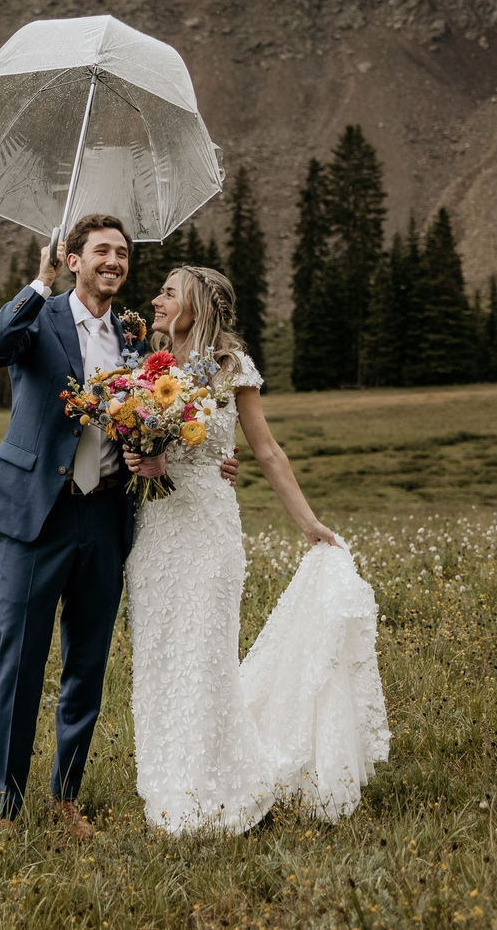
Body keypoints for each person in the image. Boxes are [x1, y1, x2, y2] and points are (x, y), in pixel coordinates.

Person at [0, 214, 237, 839]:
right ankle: (5, 809)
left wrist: (204, 454)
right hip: (41, 513)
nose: (115, 261)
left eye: (122, 253)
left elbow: (167, 405)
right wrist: (34, 288)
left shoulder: (136, 336)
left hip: (108, 513)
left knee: (86, 665)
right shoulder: (38, 317)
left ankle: (67, 799)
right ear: (73, 260)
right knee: (20, 663)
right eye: (102, 251)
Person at [124, 264, 388, 835]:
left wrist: (309, 523)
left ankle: (229, 787)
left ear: (198, 302)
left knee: (207, 657)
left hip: (210, 534)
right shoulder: (146, 368)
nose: (157, 299)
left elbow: (266, 451)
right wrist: (144, 459)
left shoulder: (230, 367)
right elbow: (131, 435)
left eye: (169, 292)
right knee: (162, 656)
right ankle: (172, 785)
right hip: (156, 534)